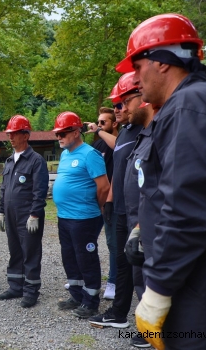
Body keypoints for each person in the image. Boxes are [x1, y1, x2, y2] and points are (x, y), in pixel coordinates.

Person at [116, 13, 206, 349]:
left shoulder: (189, 105)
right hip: (200, 276)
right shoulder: (192, 103)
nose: (134, 77)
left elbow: (189, 207)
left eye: (138, 65)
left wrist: (156, 289)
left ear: (162, 62)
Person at [88, 73, 150, 348]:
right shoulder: (125, 133)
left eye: (122, 104)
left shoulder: (146, 129)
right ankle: (118, 314)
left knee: (142, 271)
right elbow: (120, 173)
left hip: (141, 213)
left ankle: (150, 328)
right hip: (123, 210)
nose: (117, 110)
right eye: (115, 106)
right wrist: (110, 202)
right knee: (123, 266)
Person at [52, 111, 109, 319]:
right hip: (64, 216)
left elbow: (103, 187)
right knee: (69, 257)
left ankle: (91, 301)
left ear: (76, 132)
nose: (59, 137)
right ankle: (76, 295)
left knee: (86, 258)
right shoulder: (66, 154)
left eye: (63, 133)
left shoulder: (90, 154)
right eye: (57, 133)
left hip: (84, 218)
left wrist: (96, 208)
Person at [0, 115, 49, 307]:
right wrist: (0, 211)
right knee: (15, 250)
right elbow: (3, 188)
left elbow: (40, 190)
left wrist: (35, 214)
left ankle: (31, 291)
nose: (10, 137)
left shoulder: (35, 161)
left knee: (31, 252)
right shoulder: (10, 161)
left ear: (25, 135)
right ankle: (15, 286)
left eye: (15, 133)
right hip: (10, 215)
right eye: (9, 133)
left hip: (27, 216)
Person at [84, 107, 118, 300]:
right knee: (87, 240)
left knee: (113, 243)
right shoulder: (97, 147)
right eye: (98, 122)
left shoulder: (120, 142)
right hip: (95, 201)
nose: (98, 125)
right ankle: (85, 278)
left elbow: (117, 145)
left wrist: (98, 131)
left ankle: (112, 282)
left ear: (114, 124)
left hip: (112, 201)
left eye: (103, 122)